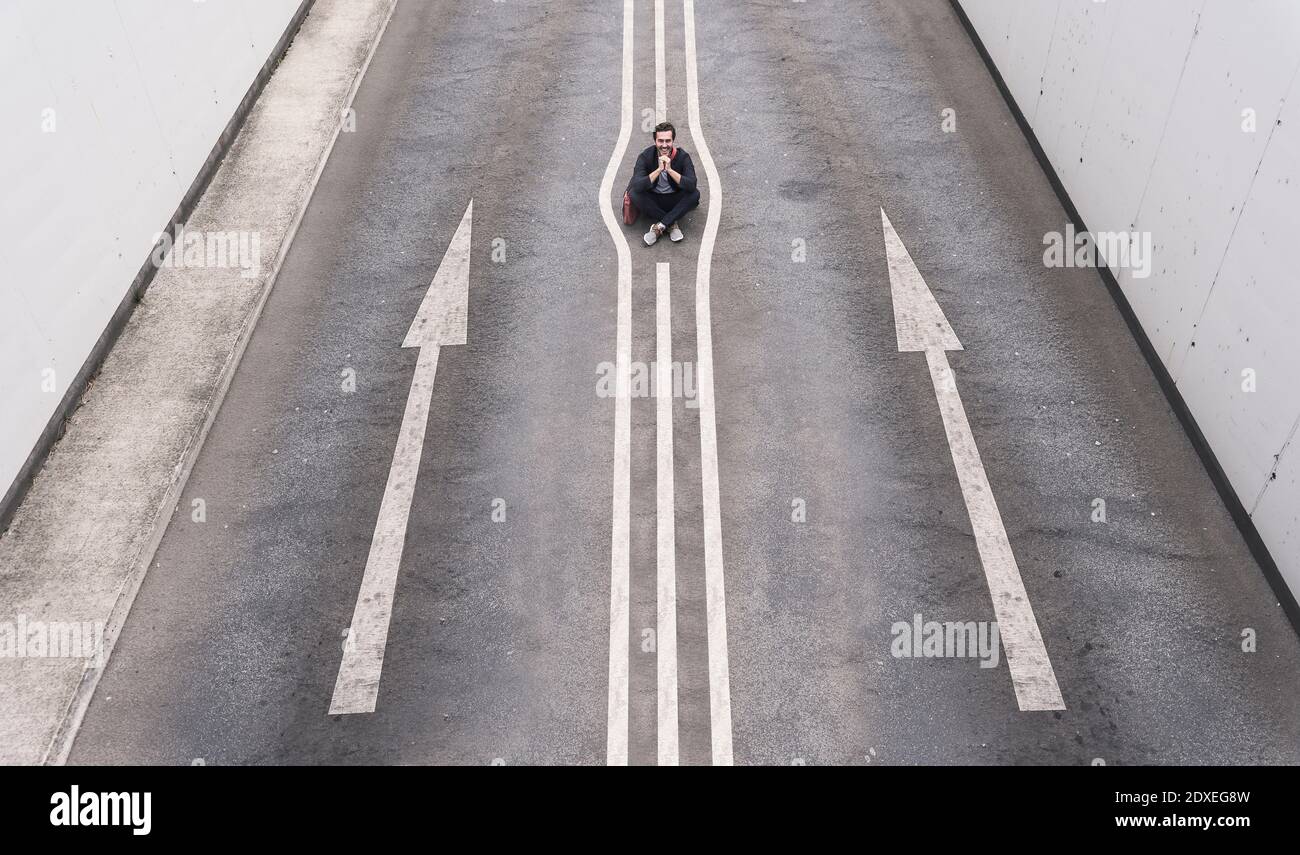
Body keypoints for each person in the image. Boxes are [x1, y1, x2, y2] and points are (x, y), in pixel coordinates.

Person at [628, 121, 700, 246]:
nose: (665, 145)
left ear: (673, 141)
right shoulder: (645, 156)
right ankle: (671, 223)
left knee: (695, 194)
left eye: (668, 141)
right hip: (654, 199)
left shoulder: (683, 157)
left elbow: (691, 185)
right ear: (655, 141)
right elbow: (637, 185)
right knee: (634, 193)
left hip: (674, 198)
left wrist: (670, 170)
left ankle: (660, 226)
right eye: (660, 141)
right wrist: (659, 170)